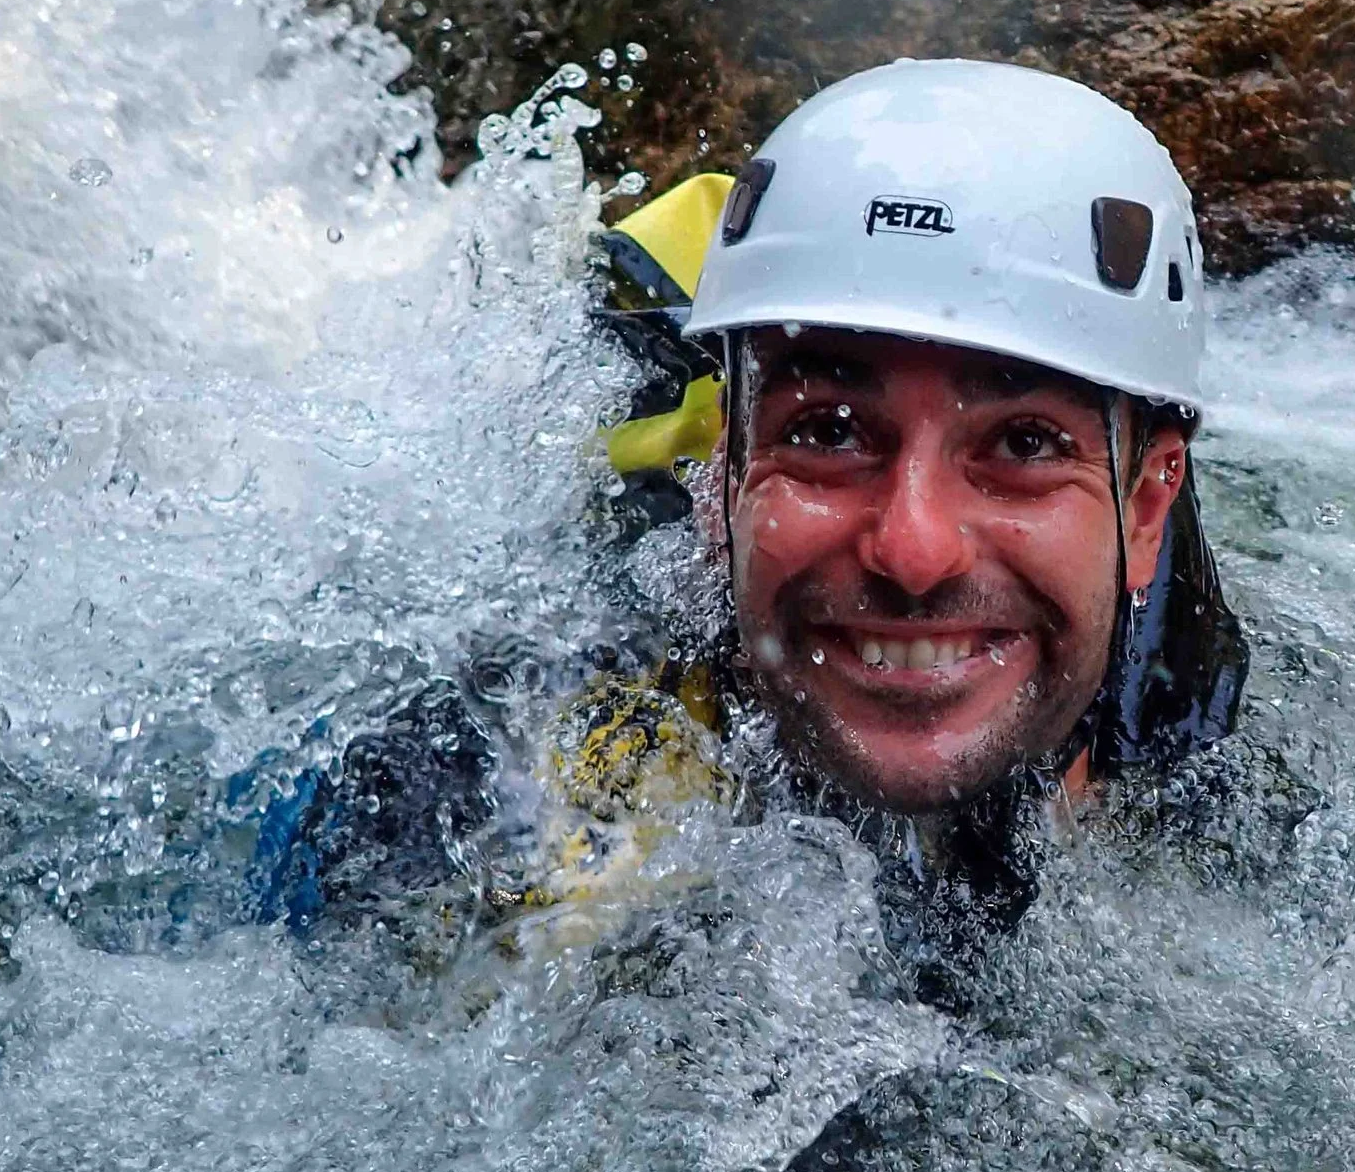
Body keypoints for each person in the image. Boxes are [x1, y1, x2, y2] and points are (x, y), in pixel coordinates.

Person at [258, 60, 1247, 995]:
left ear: (1145, 505)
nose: (913, 550)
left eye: (1024, 446)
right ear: (720, 477)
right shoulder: (509, 769)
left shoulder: (1202, 744)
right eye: (827, 432)